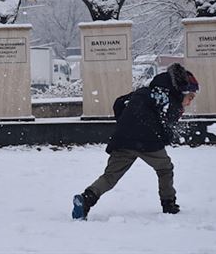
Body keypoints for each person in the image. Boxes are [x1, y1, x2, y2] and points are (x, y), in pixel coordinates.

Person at [72, 63, 199, 220]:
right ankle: (169, 204)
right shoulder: (168, 101)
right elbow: (167, 128)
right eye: (190, 98)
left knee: (110, 176)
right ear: (181, 92)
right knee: (165, 168)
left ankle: (85, 199)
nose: (189, 103)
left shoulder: (146, 92)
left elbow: (120, 103)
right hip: (148, 142)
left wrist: (126, 125)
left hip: (123, 139)